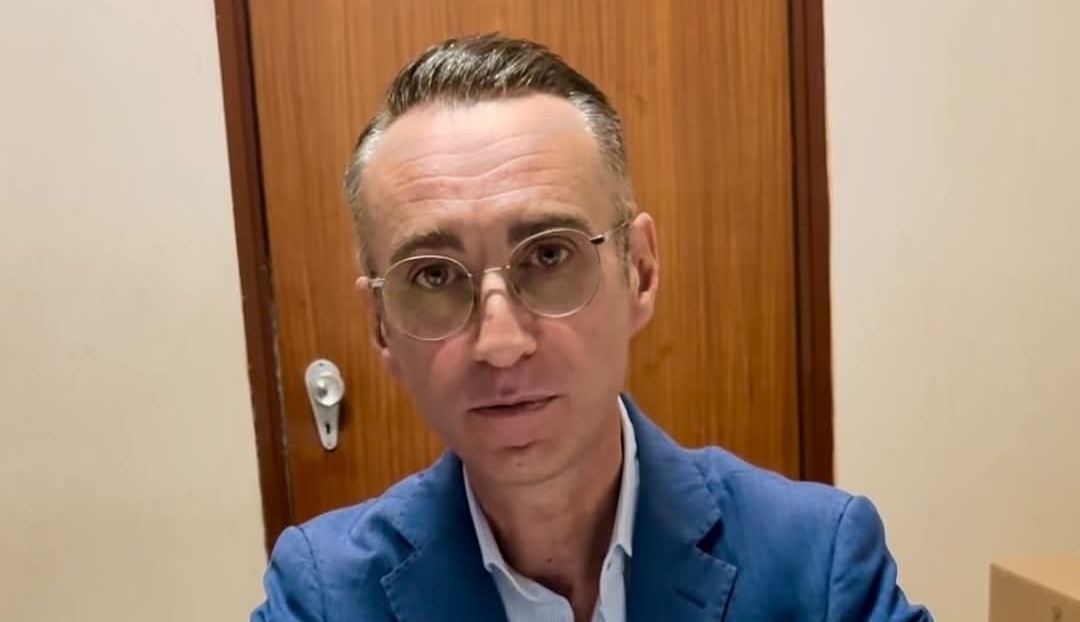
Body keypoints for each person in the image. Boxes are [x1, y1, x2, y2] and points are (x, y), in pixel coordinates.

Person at [250, 33, 933, 622]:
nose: (501, 344)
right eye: (433, 275)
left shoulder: (817, 562)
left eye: (549, 256)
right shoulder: (324, 594)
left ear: (640, 270)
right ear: (380, 326)